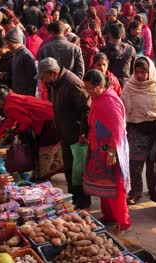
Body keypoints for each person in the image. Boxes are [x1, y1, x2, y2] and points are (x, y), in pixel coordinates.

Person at [36, 58, 91, 209]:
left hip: (76, 133)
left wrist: (84, 132)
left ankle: (82, 201)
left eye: (43, 76)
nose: (42, 80)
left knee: (77, 170)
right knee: (69, 168)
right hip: (65, 132)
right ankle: (74, 199)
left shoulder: (72, 83)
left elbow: (86, 109)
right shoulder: (55, 83)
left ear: (53, 73)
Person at [82, 69, 132, 235]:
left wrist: (111, 150)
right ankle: (109, 216)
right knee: (104, 185)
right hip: (99, 149)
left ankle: (124, 223)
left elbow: (118, 127)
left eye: (90, 88)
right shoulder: (98, 99)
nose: (88, 92)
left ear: (100, 85)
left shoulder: (109, 101)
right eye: (86, 88)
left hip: (111, 150)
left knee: (116, 187)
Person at [121, 56, 156, 204]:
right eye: (136, 72)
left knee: (153, 162)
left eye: (143, 72)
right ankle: (135, 191)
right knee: (135, 163)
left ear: (150, 71)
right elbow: (124, 109)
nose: (139, 75)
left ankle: (153, 190)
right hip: (136, 129)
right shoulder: (129, 86)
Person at [5, 27, 37, 96]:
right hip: (18, 93)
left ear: (15, 42)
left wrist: (29, 97)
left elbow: (33, 79)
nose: (7, 46)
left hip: (25, 96)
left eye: (8, 43)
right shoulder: (16, 53)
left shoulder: (26, 55)